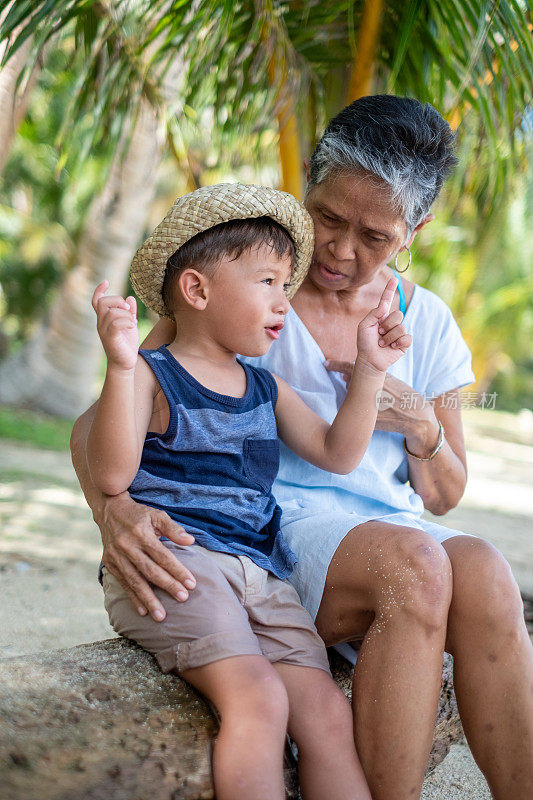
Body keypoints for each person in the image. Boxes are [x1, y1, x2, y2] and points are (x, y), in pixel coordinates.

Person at [71, 96, 533, 800]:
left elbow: (444, 492)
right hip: (272, 538)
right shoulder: (243, 297)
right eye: (327, 218)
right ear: (307, 188)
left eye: (374, 235)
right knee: (415, 566)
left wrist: (420, 424)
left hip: (388, 535)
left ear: (414, 231)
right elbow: (109, 412)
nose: (342, 251)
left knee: (487, 570)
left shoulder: (427, 324)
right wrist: (114, 510)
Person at [86, 181, 412, 800]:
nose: (284, 301)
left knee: (324, 714)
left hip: (260, 577)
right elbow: (110, 476)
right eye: (268, 282)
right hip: (176, 567)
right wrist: (121, 366)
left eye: (286, 285)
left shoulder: (264, 389)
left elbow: (339, 454)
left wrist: (371, 368)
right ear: (197, 290)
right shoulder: (154, 377)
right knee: (258, 698)